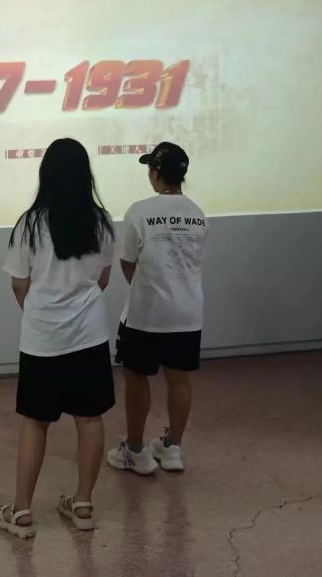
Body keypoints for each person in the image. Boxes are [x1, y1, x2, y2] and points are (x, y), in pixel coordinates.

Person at [0, 138, 116, 538]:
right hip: (89, 336)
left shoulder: (30, 224)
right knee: (90, 418)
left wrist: (40, 312)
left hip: (42, 339)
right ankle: (83, 505)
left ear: (46, 174)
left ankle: (22, 512)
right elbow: (103, 278)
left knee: (36, 423)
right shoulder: (100, 221)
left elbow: (19, 284)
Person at [107, 142, 208, 475]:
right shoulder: (197, 213)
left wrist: (146, 287)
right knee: (180, 379)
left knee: (137, 377)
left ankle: (136, 451)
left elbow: (127, 262)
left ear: (155, 173)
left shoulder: (140, 211)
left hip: (146, 314)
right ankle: (173, 448)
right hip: (187, 312)